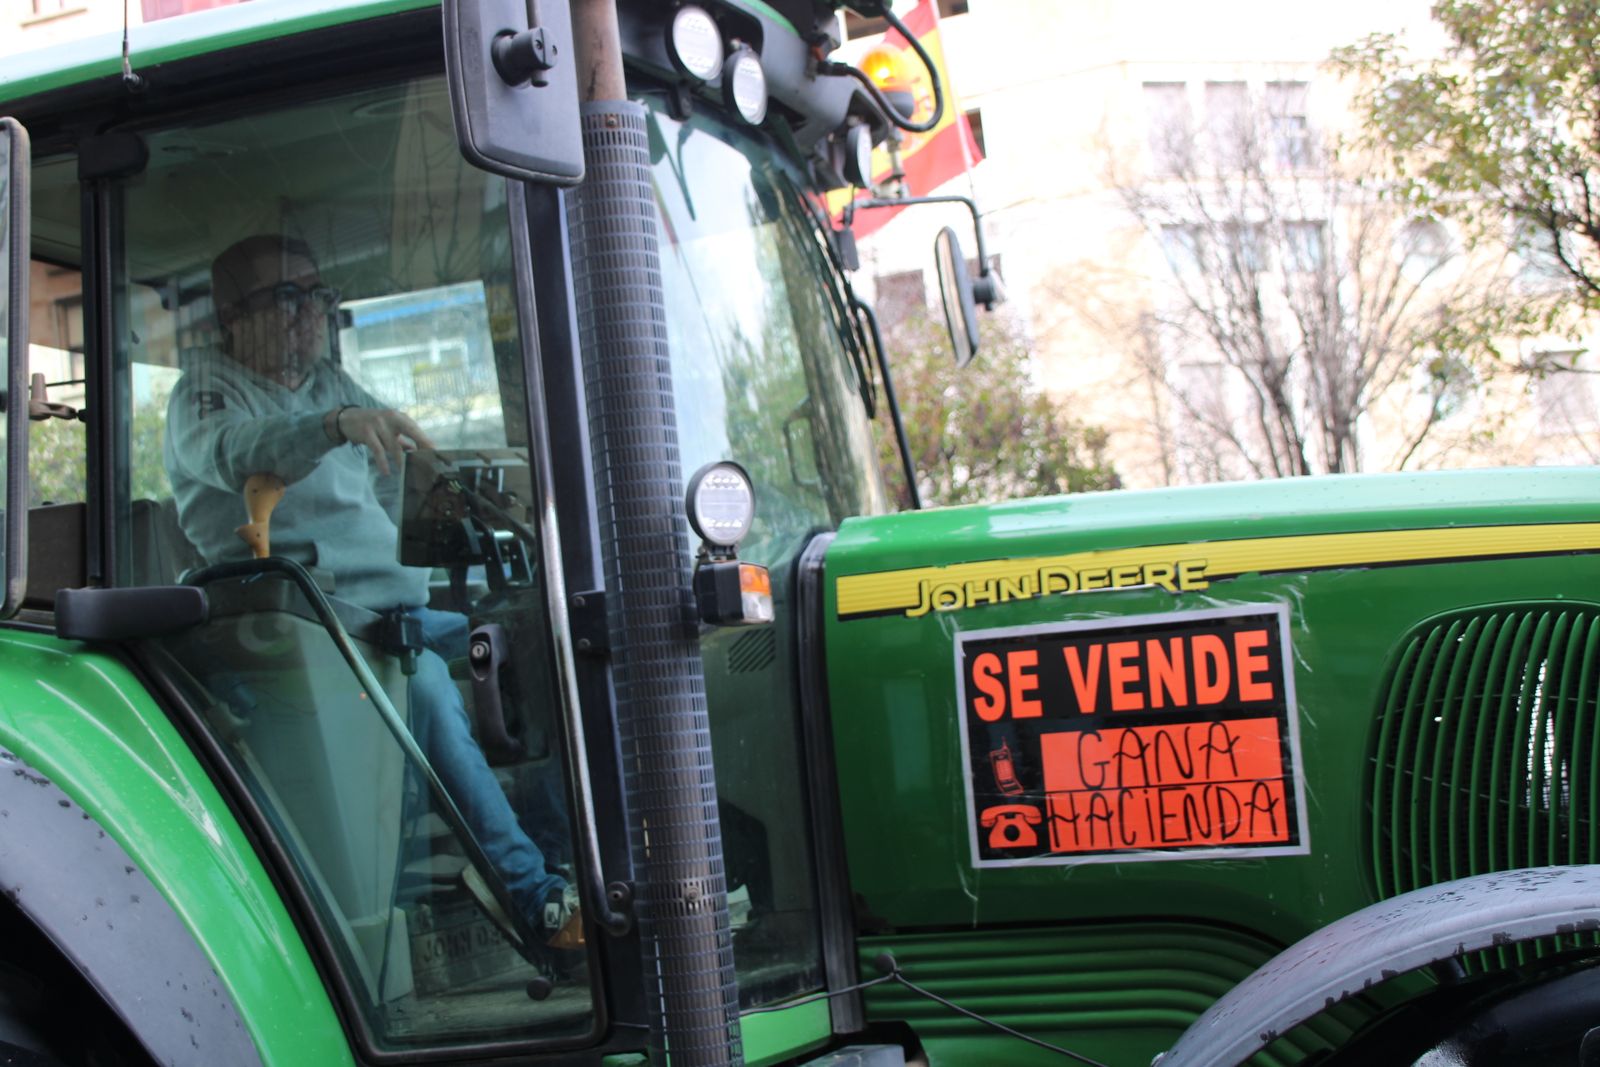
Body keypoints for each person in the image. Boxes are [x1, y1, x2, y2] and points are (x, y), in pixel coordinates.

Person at [163, 234, 579, 950]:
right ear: (232, 314)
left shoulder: (330, 381)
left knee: (543, 642)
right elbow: (237, 449)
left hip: (393, 608)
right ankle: (534, 897)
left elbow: (398, 472)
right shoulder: (205, 391)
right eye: (286, 297)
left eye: (318, 296)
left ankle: (570, 861)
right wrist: (334, 426)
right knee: (428, 692)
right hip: (300, 619)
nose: (309, 314)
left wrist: (462, 496)